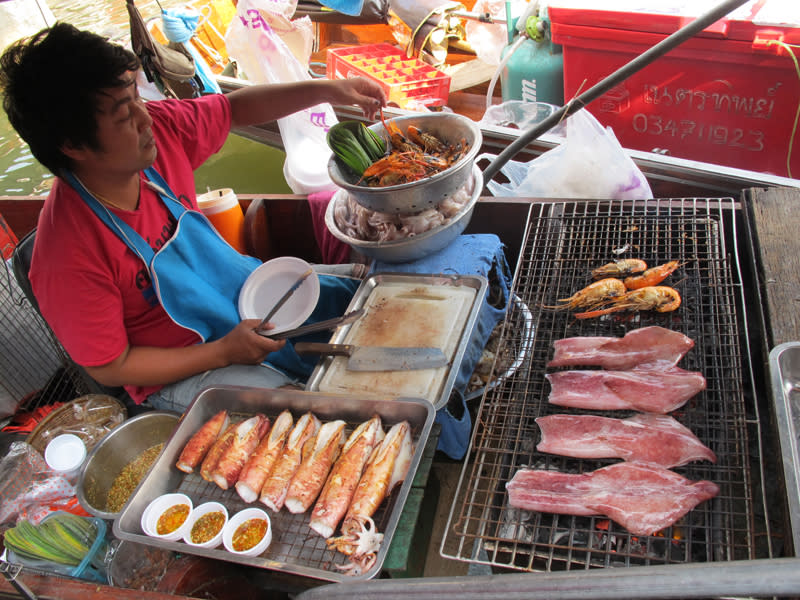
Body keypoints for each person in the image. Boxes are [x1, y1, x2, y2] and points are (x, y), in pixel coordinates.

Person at [0, 23, 387, 412]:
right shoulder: (65, 255)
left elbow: (234, 109)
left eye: (136, 95)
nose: (145, 117)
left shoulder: (158, 131)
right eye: (123, 115)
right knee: (306, 407)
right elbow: (111, 366)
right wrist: (222, 352)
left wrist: (327, 90)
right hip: (182, 368)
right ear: (73, 145)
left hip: (243, 294)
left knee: (375, 293)